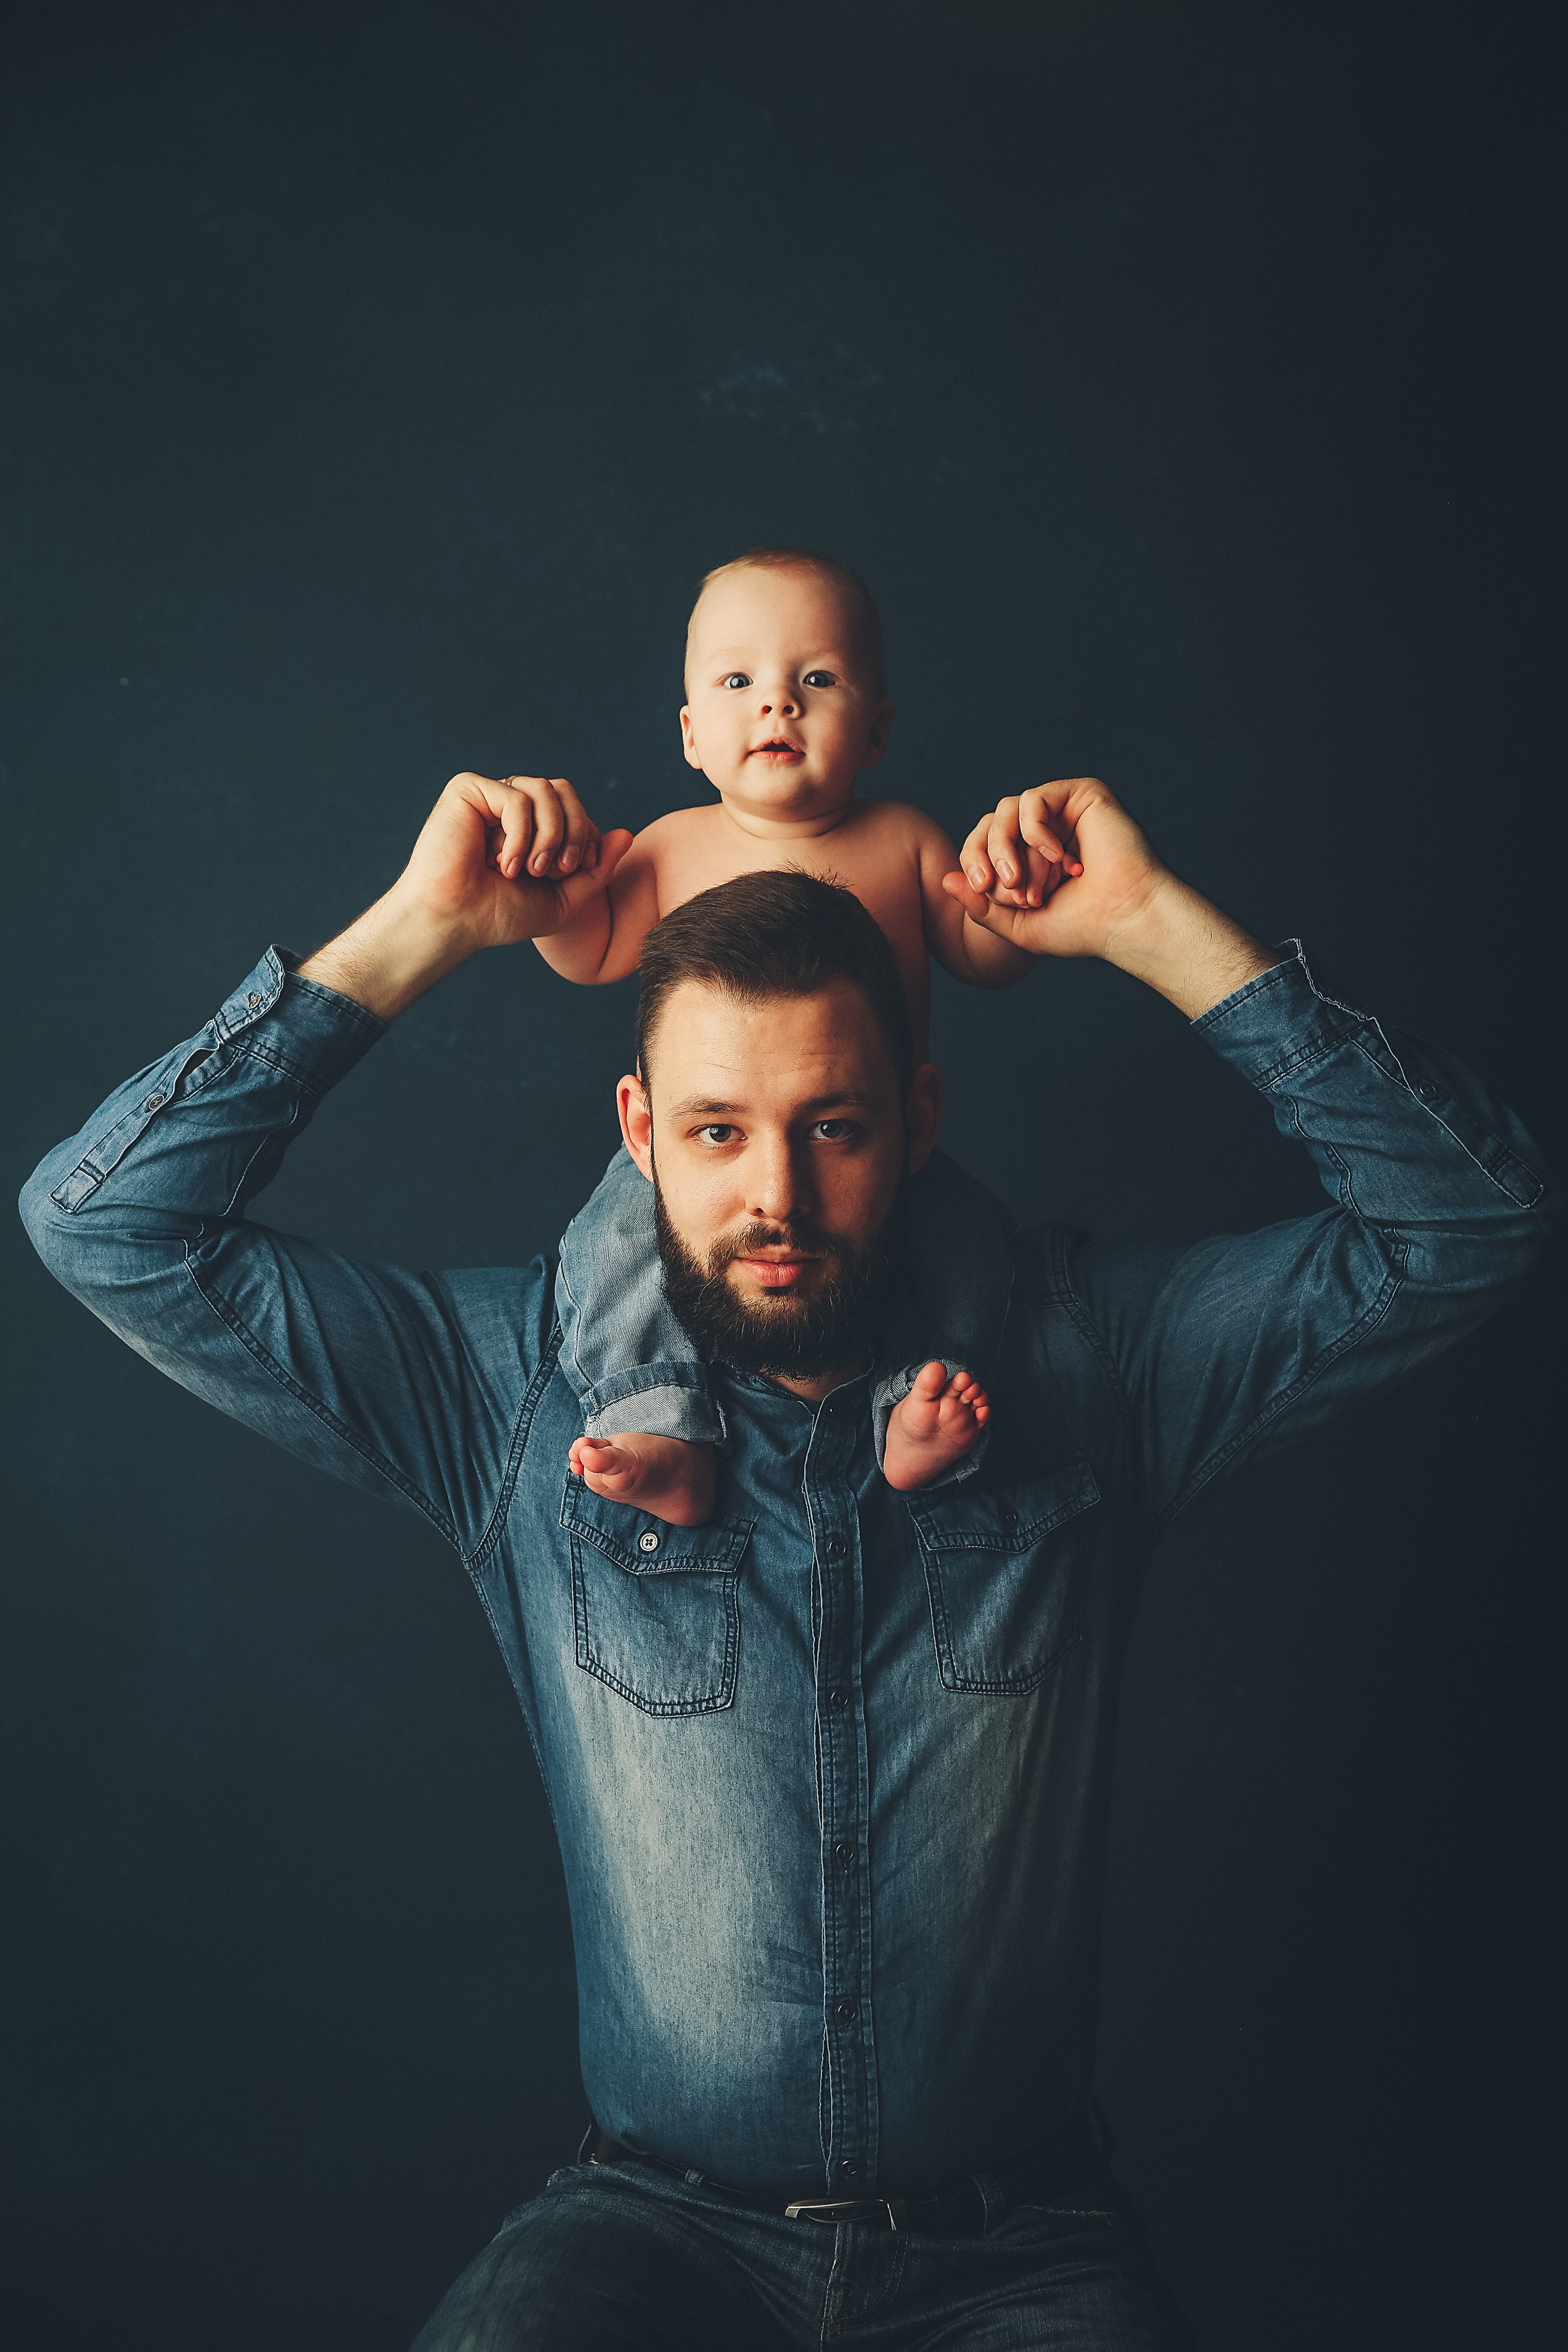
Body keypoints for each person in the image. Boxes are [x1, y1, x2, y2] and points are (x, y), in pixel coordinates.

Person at [19, 764, 1556, 2352]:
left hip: (1021, 2253)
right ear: (640, 1132)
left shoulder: (1095, 1364)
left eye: (833, 1127)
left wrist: (1156, 926)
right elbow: (107, 1225)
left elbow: (1469, 1219)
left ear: (918, 1120)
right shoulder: (510, 1393)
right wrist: (421, 928)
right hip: (645, 2230)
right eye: (717, 1130)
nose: (777, 1198)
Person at [517, 545, 1084, 1528]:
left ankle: (917, 1403)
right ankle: (658, 1419)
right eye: (738, 682)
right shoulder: (671, 844)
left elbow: (981, 952)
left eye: (816, 679)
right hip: (701, 1154)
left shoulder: (905, 839)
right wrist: (545, 903)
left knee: (967, 1243)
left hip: (870, 1146)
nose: (778, 703)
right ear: (692, 734)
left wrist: (1015, 900)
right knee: (612, 1245)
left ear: (877, 728)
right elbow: (593, 947)